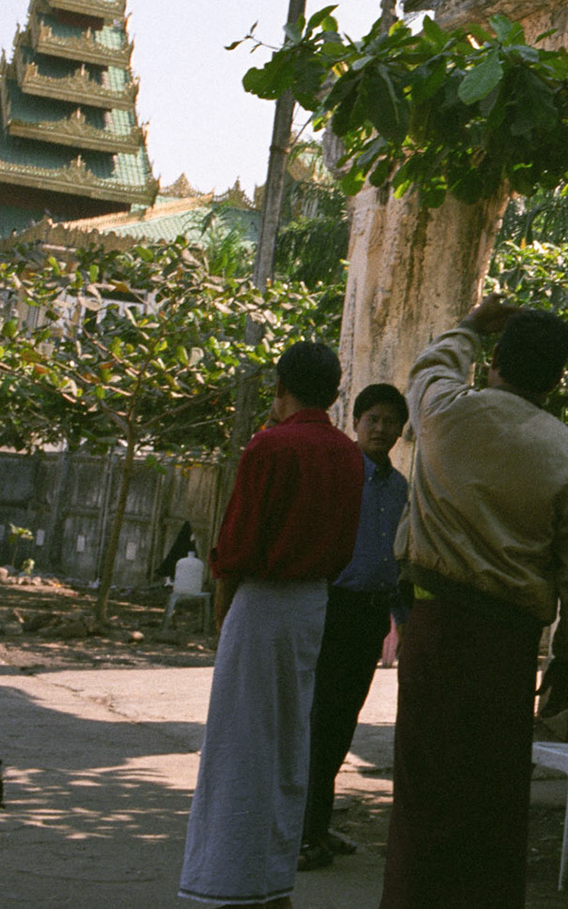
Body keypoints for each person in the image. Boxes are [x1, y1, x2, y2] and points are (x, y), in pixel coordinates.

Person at [378, 296, 568, 909]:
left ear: (495, 360)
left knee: (423, 798)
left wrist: (471, 327)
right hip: (508, 648)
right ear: (557, 378)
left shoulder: (446, 411)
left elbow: (430, 365)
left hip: (435, 628)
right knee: (493, 806)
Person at [178, 342, 364, 909]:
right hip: (313, 605)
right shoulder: (350, 455)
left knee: (239, 742)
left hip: (262, 601)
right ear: (334, 392)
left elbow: (237, 544)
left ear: (281, 386)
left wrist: (222, 607)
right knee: (288, 744)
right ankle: (271, 877)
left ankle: (226, 881)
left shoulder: (270, 447)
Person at [298, 382, 410, 871]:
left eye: (391, 421)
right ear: (356, 423)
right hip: (332, 607)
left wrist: (399, 620)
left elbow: (400, 560)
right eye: (373, 420)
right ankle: (301, 834)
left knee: (342, 723)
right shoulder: (339, 473)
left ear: (401, 430)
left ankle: (317, 827)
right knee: (317, 722)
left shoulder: (401, 487)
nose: (381, 428)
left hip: (371, 613)